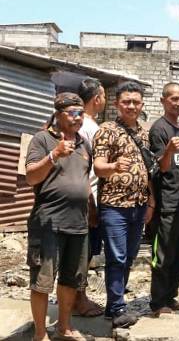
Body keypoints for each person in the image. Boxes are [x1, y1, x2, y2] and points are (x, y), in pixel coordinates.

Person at [25, 93, 92, 341]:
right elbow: (31, 176)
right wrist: (54, 155)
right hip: (48, 223)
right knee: (42, 281)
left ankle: (64, 327)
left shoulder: (85, 144)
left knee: (71, 279)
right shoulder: (42, 139)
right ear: (58, 114)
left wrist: (92, 213)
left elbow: (84, 181)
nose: (78, 117)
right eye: (73, 113)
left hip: (78, 223)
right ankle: (40, 334)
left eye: (81, 112)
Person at [93, 81, 154, 328]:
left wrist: (151, 201)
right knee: (116, 257)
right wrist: (114, 167)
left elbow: (148, 170)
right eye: (126, 101)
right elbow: (98, 167)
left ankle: (112, 306)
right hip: (114, 206)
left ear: (141, 105)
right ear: (117, 104)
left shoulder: (143, 132)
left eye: (136, 102)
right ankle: (118, 308)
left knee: (128, 257)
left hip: (139, 206)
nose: (131, 106)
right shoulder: (106, 129)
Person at [149, 83, 179, 316]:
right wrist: (168, 150)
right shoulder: (159, 129)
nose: (178, 103)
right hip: (168, 203)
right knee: (164, 255)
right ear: (163, 101)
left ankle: (171, 296)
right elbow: (162, 167)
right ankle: (158, 302)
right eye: (173, 99)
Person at [75, 77, 106, 318]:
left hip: (90, 197)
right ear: (97, 99)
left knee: (86, 251)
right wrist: (92, 204)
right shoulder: (88, 128)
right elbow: (83, 169)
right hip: (89, 199)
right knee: (82, 253)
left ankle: (78, 297)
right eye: (104, 96)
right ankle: (79, 299)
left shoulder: (86, 125)